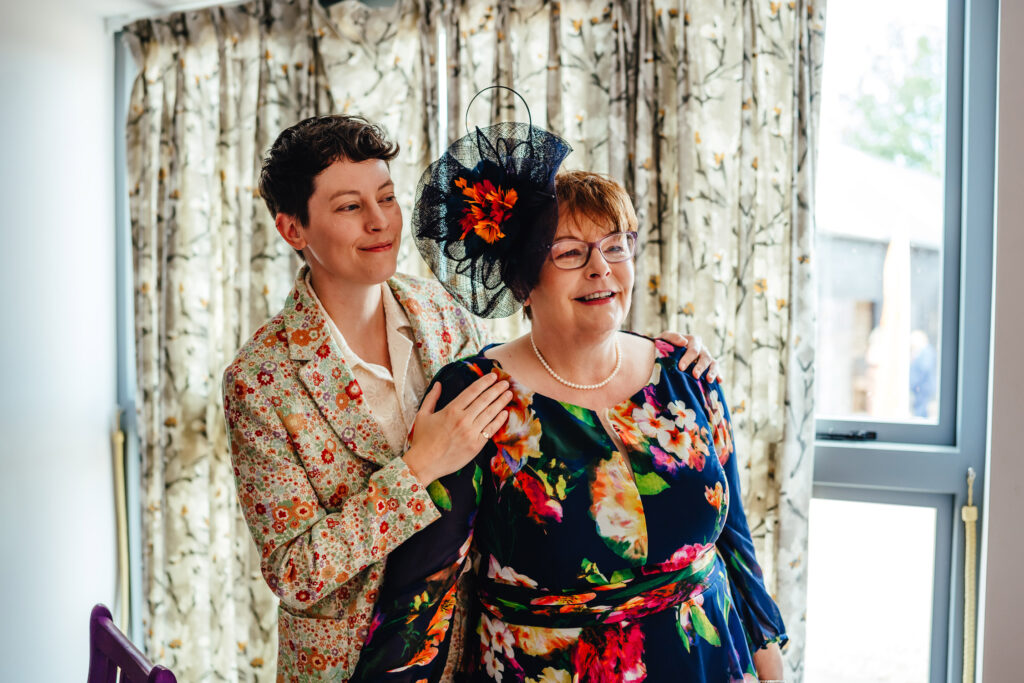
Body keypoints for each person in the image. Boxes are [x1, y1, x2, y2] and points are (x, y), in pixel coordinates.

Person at [222, 114, 720, 681]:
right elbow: (294, 571)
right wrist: (418, 469)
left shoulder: (441, 313)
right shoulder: (260, 379)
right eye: (348, 207)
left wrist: (656, 353)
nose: (381, 221)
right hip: (349, 659)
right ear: (293, 230)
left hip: (472, 647)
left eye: (386, 196)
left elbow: (544, 364)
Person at [350, 120, 787, 682]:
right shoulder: (480, 394)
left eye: (615, 246)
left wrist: (775, 671)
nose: (601, 268)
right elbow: (422, 592)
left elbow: (736, 547)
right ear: (523, 282)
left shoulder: (687, 375)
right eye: (571, 253)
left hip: (706, 661)